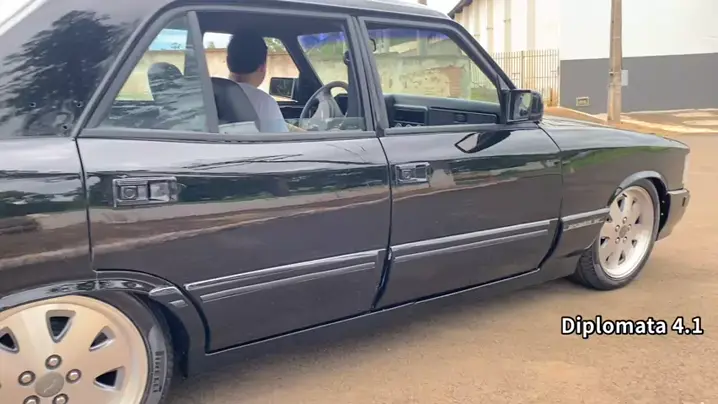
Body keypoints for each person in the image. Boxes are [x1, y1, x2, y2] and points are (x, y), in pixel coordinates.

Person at [226, 29, 289, 133]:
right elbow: (282, 140)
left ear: (228, 62)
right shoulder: (264, 103)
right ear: (262, 67)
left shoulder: (209, 95)